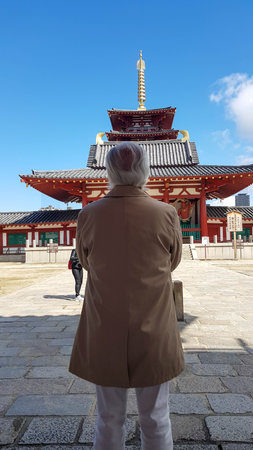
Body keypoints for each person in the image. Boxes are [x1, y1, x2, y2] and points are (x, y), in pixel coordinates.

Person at [69, 142, 184, 450]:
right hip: (155, 326)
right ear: (146, 170)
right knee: (156, 416)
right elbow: (172, 262)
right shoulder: (166, 213)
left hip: (105, 324)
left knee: (107, 417)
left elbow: (87, 262)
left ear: (109, 172)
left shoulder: (88, 215)